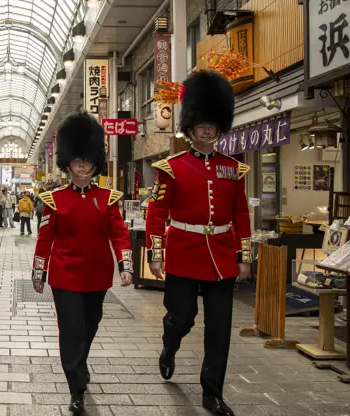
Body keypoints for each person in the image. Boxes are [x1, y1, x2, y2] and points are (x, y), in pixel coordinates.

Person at [145, 70, 251, 416]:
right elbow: (156, 214)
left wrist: (243, 256)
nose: (207, 131)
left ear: (220, 129)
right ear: (190, 128)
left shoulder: (233, 169)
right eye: (201, 125)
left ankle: (212, 393)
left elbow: (242, 218)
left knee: (219, 329)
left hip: (221, 257)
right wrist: (156, 256)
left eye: (212, 126)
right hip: (183, 254)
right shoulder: (172, 168)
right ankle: (169, 344)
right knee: (183, 318)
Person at [32, 113, 133, 415]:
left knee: (90, 325)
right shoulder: (54, 199)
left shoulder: (108, 198)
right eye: (77, 162)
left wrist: (125, 265)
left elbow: (119, 234)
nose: (82, 167)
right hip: (64, 276)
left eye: (87, 162)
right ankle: (75, 387)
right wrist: (40, 273)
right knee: (71, 329)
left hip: (97, 276)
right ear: (68, 164)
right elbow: (44, 240)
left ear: (94, 163)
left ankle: (80, 360)